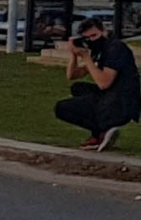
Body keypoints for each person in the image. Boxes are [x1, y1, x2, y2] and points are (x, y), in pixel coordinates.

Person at [56, 16, 139, 150]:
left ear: (104, 31)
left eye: (94, 35)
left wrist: (87, 58)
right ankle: (99, 133)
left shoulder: (115, 48)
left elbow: (104, 83)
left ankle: (105, 127)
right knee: (78, 88)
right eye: (88, 38)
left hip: (123, 101)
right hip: (111, 96)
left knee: (62, 108)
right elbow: (72, 75)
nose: (92, 40)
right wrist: (74, 54)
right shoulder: (100, 51)